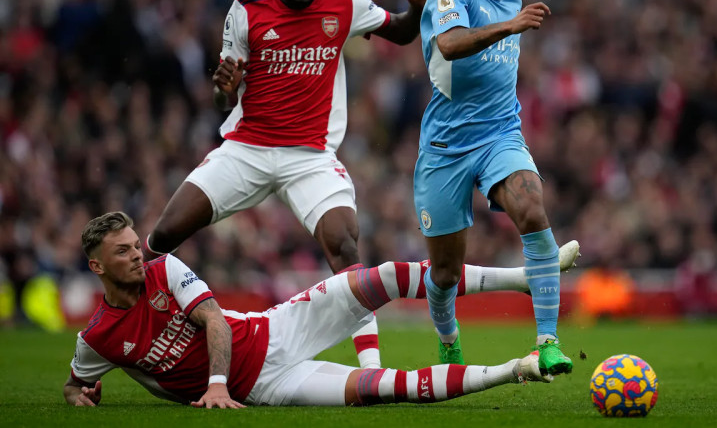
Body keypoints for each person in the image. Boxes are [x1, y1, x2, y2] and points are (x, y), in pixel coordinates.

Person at [144, 0, 436, 370]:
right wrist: (225, 88)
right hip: (247, 149)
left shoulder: (345, 1)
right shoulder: (246, 8)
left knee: (345, 246)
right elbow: (224, 95)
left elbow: (399, 32)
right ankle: (129, 330)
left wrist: (415, 11)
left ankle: (373, 372)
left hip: (310, 156)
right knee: (163, 236)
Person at [64, 212, 581, 407]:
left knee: (383, 277)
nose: (137, 255)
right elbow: (73, 382)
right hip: (267, 389)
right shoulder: (99, 338)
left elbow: (215, 320)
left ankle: (529, 277)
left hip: (275, 330)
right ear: (97, 267)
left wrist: (215, 387)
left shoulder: (164, 269)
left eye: (136, 245)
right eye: (123, 251)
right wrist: (79, 396)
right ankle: (519, 369)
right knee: (381, 391)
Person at [414, 0, 574, 376]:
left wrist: (514, 20)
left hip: (500, 133)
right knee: (444, 274)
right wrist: (512, 24)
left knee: (531, 207)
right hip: (445, 148)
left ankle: (548, 341)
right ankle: (448, 340)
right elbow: (450, 45)